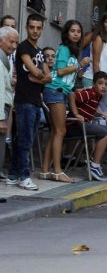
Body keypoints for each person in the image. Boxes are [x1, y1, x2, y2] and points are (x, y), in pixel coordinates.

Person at [41, 20, 90, 183]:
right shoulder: (63, 49)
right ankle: (57, 171)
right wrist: (79, 65)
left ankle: (45, 170)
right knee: (60, 131)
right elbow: (60, 71)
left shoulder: (73, 51)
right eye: (72, 31)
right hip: (55, 90)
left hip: (61, 92)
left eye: (78, 31)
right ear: (66, 33)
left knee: (56, 132)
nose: (76, 34)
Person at [7, 14, 51, 190]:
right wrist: (40, 76)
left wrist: (39, 78)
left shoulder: (39, 50)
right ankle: (24, 176)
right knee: (25, 140)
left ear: (42, 29)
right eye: (32, 27)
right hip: (24, 99)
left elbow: (47, 76)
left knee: (24, 139)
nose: (35, 31)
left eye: (38, 28)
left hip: (35, 100)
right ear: (26, 27)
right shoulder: (23, 47)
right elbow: (36, 71)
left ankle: (13, 174)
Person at [67, 71, 107, 181]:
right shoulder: (90, 93)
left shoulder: (97, 96)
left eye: (106, 84)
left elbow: (90, 106)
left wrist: (101, 112)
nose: (104, 86)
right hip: (74, 125)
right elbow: (72, 96)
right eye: (100, 83)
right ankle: (94, 165)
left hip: (83, 125)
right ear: (94, 84)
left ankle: (93, 161)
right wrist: (76, 114)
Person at [0, 26, 18, 185]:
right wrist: (0, 118)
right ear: (1, 41)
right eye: (11, 42)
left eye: (16, 42)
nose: (13, 45)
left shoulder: (5, 58)